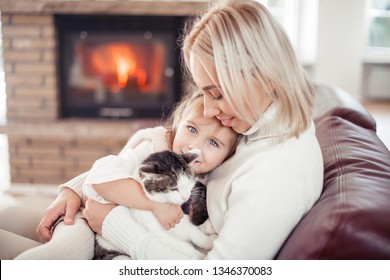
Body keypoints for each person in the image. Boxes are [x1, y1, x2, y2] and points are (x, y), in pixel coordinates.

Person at [1, 0, 324, 260]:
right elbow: (159, 152)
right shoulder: (253, 124)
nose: (209, 109)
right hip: (112, 220)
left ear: (263, 77)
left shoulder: (277, 170)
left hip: (121, 243)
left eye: (218, 93)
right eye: (204, 92)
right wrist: (76, 188)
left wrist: (111, 223)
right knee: (10, 215)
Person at [0, 94, 240, 259]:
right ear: (178, 124)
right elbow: (103, 172)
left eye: (213, 142)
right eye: (191, 129)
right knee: (11, 215)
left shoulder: (213, 184)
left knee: (55, 255)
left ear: (228, 154)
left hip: (114, 245)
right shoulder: (155, 148)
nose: (193, 146)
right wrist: (154, 206)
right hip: (89, 221)